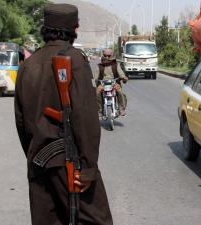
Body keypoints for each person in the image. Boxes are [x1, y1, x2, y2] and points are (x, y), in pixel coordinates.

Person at [14, 4, 113, 225]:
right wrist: (87, 168)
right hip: (70, 164)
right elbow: (86, 120)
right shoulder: (74, 59)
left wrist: (35, 154)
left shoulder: (27, 66)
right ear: (74, 28)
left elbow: (21, 122)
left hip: (39, 163)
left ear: (45, 29)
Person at [96, 49, 128, 116]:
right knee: (97, 93)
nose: (107, 57)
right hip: (103, 84)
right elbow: (95, 77)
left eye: (109, 56)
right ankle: (100, 110)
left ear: (112, 55)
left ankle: (121, 109)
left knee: (120, 92)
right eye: (105, 56)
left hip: (114, 83)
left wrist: (123, 77)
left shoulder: (116, 64)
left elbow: (121, 73)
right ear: (103, 55)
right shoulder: (100, 66)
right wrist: (92, 82)